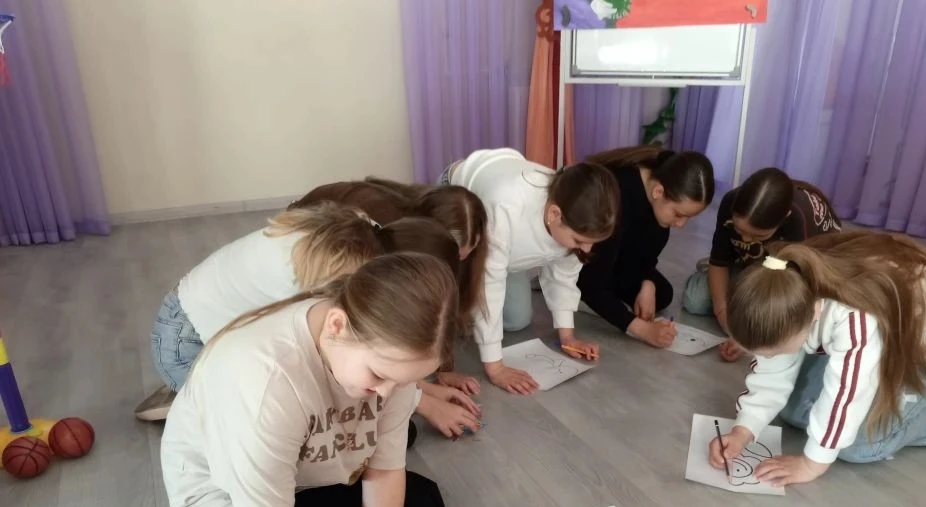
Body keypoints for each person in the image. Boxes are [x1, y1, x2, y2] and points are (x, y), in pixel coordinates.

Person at [161, 252, 457, 507]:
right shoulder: (265, 382)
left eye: (405, 381)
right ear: (336, 325)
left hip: (309, 462)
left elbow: (386, 471)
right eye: (379, 375)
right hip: (223, 494)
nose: (389, 394)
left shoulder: (385, 360)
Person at [134, 204, 470, 441]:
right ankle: (190, 397)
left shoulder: (365, 231)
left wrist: (417, 385)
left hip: (187, 319)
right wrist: (424, 404)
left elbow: (377, 353)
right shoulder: (332, 281)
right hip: (187, 344)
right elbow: (337, 362)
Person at [708, 232, 926, 488]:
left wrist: (812, 464)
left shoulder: (855, 319)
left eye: (773, 352)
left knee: (860, 445)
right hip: (888, 326)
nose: (766, 359)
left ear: (813, 314)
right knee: (796, 411)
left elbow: (846, 394)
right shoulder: (786, 287)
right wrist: (743, 430)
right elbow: (773, 374)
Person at [445, 148, 619, 395]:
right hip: (458, 194)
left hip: (508, 246)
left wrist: (568, 337)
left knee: (517, 320)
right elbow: (489, 285)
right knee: (450, 310)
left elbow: (564, 277)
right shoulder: (505, 208)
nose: (587, 249)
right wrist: (495, 367)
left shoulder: (575, 215)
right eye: (579, 240)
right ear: (554, 214)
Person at [683, 167, 841, 361]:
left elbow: (796, 291)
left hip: (801, 276)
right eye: (739, 230)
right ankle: (734, 271)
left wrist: (751, 339)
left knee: (777, 318)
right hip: (753, 264)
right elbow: (719, 261)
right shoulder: (730, 202)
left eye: (758, 235)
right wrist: (726, 318)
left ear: (784, 218)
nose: (746, 239)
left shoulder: (799, 220)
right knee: (696, 299)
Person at [580, 145, 714, 348]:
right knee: (596, 288)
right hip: (587, 257)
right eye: (679, 215)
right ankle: (573, 290)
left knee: (661, 293)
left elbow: (645, 256)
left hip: (616, 256)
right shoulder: (617, 195)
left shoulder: (658, 197)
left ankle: (606, 299)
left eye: (688, 218)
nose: (681, 225)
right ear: (658, 191)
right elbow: (593, 281)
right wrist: (643, 331)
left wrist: (647, 283)